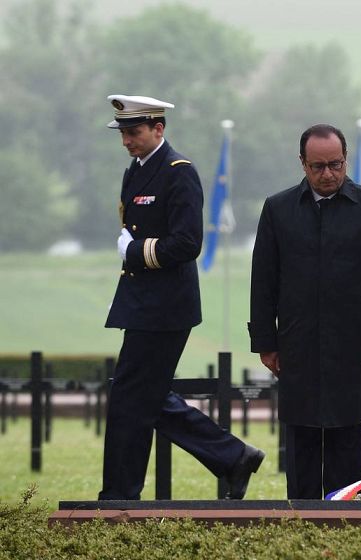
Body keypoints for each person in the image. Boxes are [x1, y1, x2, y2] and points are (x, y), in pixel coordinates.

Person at [100, 94, 264, 500]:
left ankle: (120, 496)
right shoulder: (136, 171)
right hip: (140, 301)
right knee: (140, 395)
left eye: (133, 132)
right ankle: (232, 456)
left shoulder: (178, 172)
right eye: (122, 133)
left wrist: (134, 251)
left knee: (131, 396)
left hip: (166, 306)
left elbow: (188, 243)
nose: (126, 141)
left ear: (159, 128)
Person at [249, 123, 361, 499]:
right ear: (302, 163)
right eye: (318, 166)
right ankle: (300, 523)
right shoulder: (278, 209)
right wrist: (266, 343)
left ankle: (344, 523)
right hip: (296, 346)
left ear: (346, 159)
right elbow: (263, 281)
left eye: (335, 164)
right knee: (300, 444)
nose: (328, 174)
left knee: (347, 444)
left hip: (352, 346)